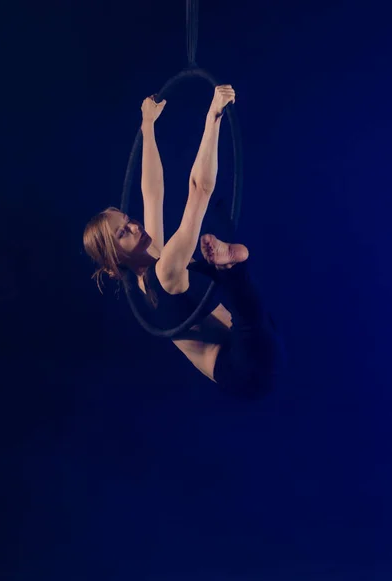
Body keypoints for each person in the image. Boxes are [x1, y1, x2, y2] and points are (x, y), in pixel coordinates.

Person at [83, 85, 282, 398]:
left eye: (127, 220)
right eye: (123, 232)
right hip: (242, 365)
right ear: (113, 261)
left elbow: (153, 192)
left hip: (255, 344)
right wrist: (212, 117)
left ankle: (231, 265)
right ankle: (231, 266)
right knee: (245, 307)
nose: (134, 225)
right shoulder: (164, 273)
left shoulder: (150, 267)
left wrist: (147, 125)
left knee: (251, 313)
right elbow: (198, 191)